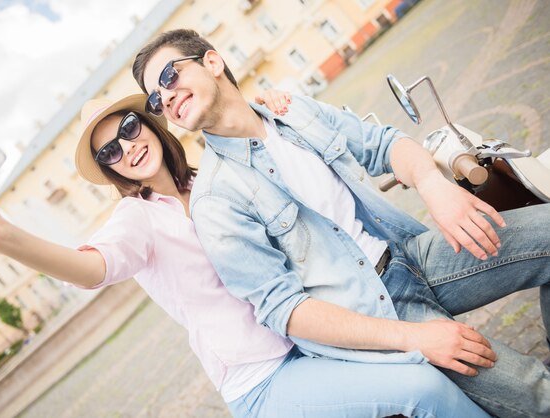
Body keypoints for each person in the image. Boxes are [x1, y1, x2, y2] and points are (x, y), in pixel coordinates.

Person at [0, 94, 488, 418]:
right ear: (109, 171)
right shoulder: (137, 221)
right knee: (422, 386)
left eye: (128, 128)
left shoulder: (218, 176)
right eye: (109, 152)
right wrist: (1, 234)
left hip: (317, 333)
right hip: (266, 377)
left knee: (427, 368)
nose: (126, 147)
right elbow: (91, 268)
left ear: (148, 123)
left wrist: (269, 112)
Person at [132, 28, 550, 418]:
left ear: (212, 62)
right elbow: (286, 312)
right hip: (377, 313)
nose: (165, 97)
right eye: (155, 99)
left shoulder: (294, 111)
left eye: (169, 76)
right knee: (535, 392)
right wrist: (416, 340)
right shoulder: (214, 200)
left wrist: (430, 183)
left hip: (411, 256)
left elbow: (383, 144)